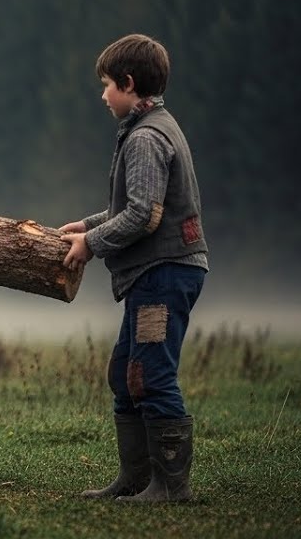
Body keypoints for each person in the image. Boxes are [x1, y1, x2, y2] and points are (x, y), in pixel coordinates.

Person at [59, 33, 209, 503]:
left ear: (128, 83)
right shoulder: (155, 126)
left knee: (150, 375)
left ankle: (170, 486)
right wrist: (85, 225)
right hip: (155, 273)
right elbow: (134, 204)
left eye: (106, 84)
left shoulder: (145, 137)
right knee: (125, 371)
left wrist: (91, 245)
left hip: (165, 274)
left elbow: (145, 215)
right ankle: (137, 478)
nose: (102, 95)